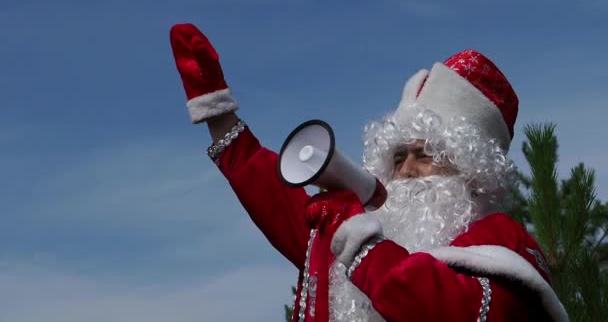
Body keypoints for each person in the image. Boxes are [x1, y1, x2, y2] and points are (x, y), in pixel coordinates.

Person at [169, 23, 569, 322]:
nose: (408, 171)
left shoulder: (504, 244)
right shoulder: (360, 233)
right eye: (398, 158)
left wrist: (363, 247)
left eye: (426, 155)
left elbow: (443, 308)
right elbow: (276, 194)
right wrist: (219, 114)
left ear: (472, 173)